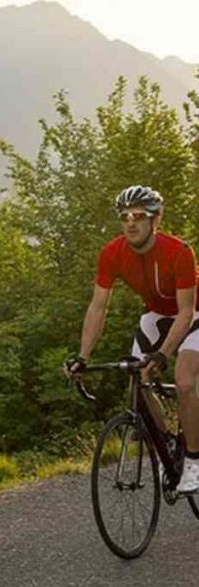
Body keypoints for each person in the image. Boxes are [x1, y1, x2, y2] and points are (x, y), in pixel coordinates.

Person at [65, 185, 199, 493]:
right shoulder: (111, 253)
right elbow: (98, 307)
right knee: (136, 371)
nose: (131, 222)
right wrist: (82, 357)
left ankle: (194, 460)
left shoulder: (179, 251)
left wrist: (164, 353)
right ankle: (166, 439)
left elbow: (186, 312)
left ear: (156, 219)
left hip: (193, 315)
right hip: (155, 315)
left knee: (185, 381)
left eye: (139, 215)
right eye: (124, 216)